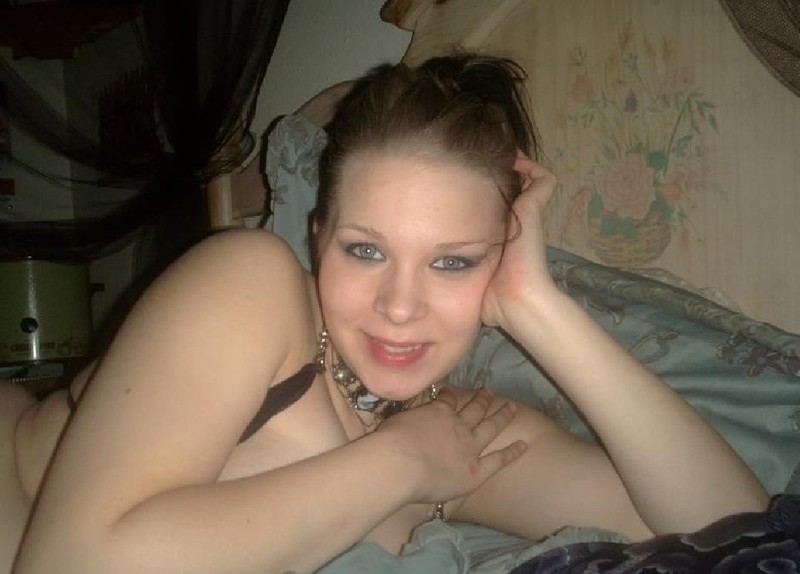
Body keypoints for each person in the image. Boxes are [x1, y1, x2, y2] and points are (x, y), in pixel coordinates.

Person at [11, 53, 767, 574]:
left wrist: (537, 308)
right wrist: (400, 463)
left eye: (453, 261)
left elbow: (734, 529)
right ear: (318, 239)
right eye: (365, 250)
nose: (400, 307)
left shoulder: (460, 433)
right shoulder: (250, 282)